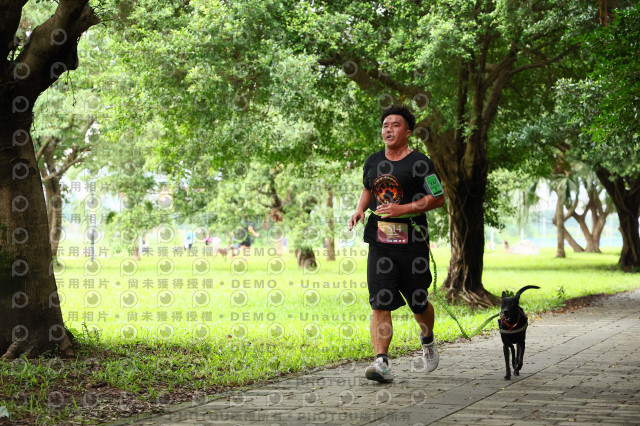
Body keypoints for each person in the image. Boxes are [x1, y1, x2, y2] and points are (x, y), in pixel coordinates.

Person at [349, 105, 446, 383]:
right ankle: (381, 363)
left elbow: (438, 198)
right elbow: (369, 188)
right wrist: (360, 209)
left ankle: (427, 338)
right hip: (380, 241)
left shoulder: (421, 162)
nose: (388, 130)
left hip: (413, 243)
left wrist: (403, 209)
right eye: (385, 125)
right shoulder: (373, 161)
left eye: (395, 125)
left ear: (408, 131)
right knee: (380, 302)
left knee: (418, 301)